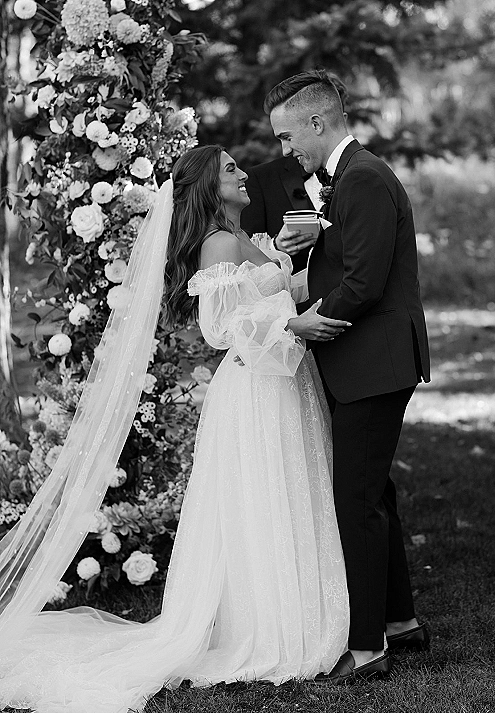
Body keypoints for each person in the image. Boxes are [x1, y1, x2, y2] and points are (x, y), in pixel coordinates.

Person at [0, 145, 352, 713]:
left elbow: (264, 297)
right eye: (230, 169)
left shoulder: (245, 239)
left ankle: (304, 614)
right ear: (212, 188)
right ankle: (277, 629)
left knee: (289, 493)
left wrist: (299, 269)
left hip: (284, 382)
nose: (243, 174)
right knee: (266, 500)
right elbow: (222, 328)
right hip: (257, 391)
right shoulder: (217, 242)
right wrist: (297, 322)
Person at [266, 70, 431, 684]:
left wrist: (308, 322)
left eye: (288, 137)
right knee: (375, 492)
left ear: (318, 122)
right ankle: (400, 624)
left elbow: (364, 282)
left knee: (355, 501)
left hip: (374, 362)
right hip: (372, 360)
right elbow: (351, 262)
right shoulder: (350, 178)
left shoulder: (361, 179)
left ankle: (366, 649)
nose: (287, 150)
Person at [241, 75, 349, 274]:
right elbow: (241, 255)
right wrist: (276, 247)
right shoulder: (261, 179)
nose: (285, 150)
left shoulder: (357, 174)